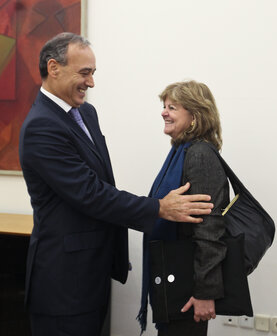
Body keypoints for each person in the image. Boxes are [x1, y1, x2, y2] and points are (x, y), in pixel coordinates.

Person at [19, 33, 213, 336]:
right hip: (63, 284)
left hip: (91, 273)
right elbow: (90, 193)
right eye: (85, 73)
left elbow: (101, 180)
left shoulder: (86, 113)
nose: (91, 83)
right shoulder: (41, 126)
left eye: (93, 73)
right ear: (54, 68)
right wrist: (159, 208)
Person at [138, 80, 229, 336]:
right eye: (164, 106)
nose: (163, 112)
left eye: (173, 107)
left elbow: (210, 227)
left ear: (195, 115)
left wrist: (205, 293)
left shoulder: (199, 155)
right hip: (174, 278)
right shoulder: (181, 151)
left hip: (188, 287)